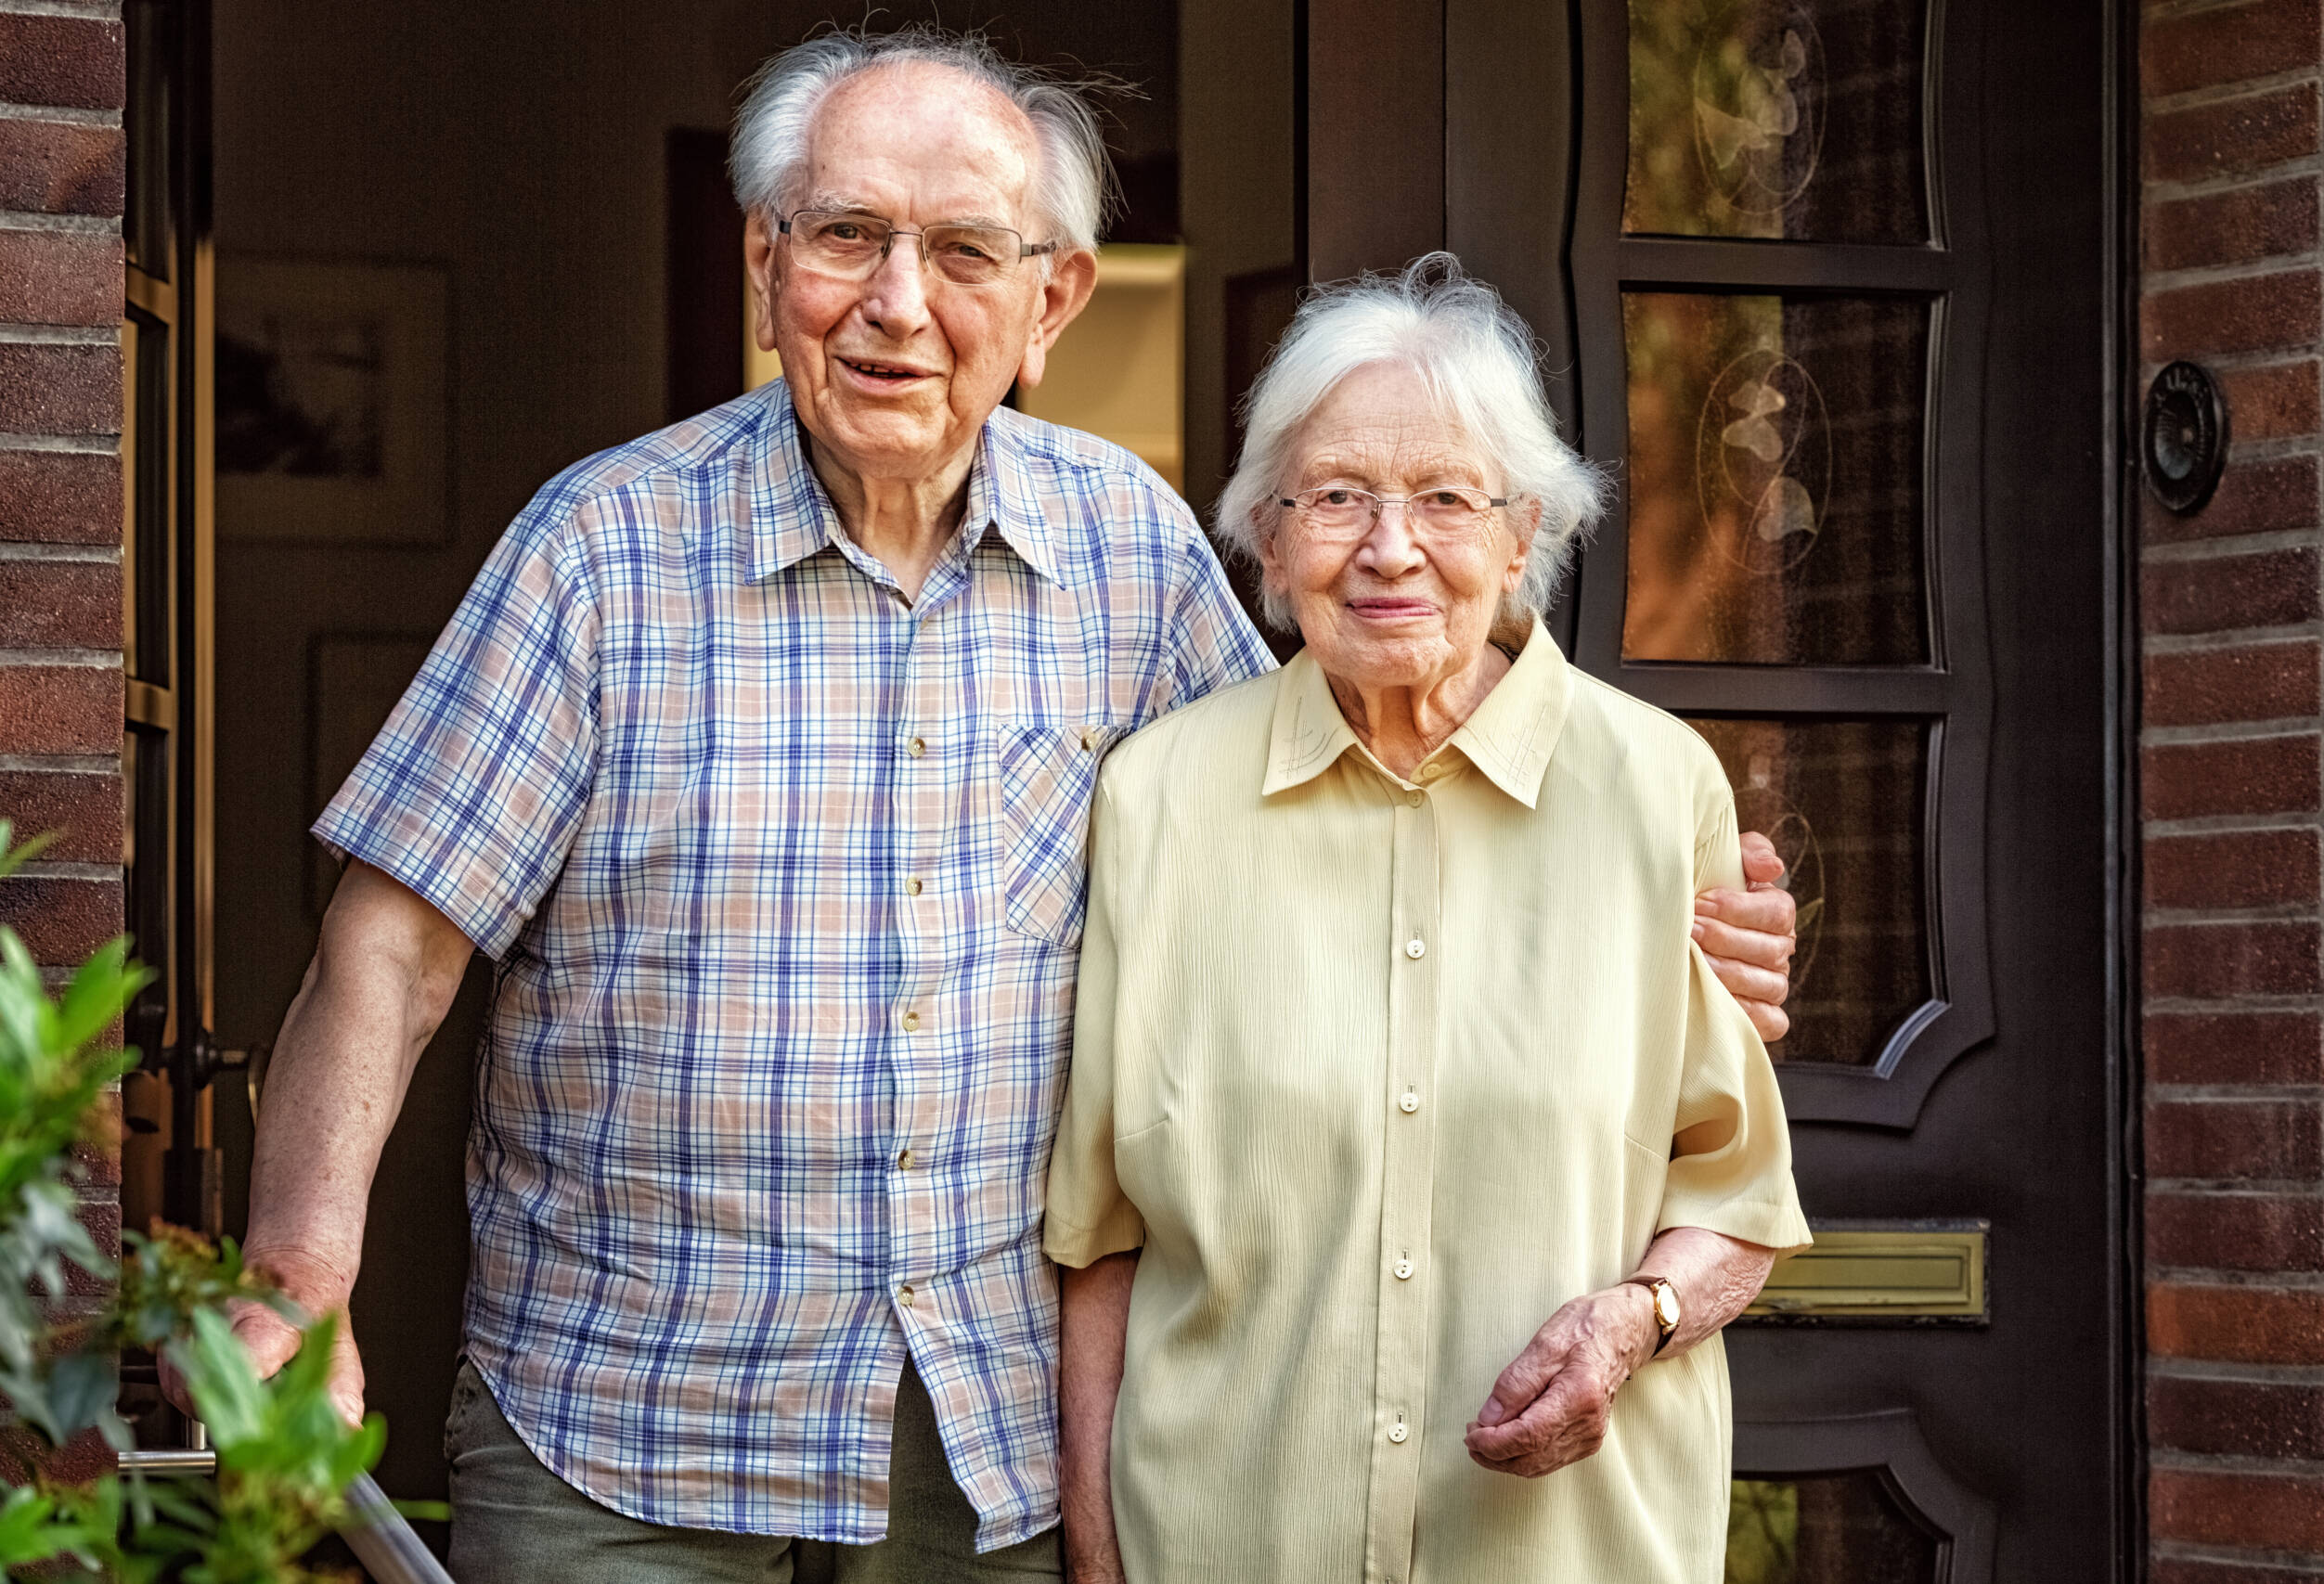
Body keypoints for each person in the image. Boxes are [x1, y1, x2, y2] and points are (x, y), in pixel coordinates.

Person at [187, 28, 1802, 1582]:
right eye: (847, 238)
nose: (900, 304)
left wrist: (1653, 922)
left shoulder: (1136, 556)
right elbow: (389, 956)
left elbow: (1341, 812)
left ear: (1053, 302)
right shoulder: (597, 554)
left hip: (989, 1458)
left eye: (966, 251)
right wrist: (303, 1284)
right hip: (628, 1433)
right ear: (765, 268)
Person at [1047, 255, 1814, 1584]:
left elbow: (1736, 1196)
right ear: (1270, 539)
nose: (1389, 548)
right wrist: (1099, 1559)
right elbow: (1104, 1241)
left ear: (1524, 538)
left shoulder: (1653, 789)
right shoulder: (1159, 798)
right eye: (1337, 497)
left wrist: (1638, 1318)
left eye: (1447, 499)